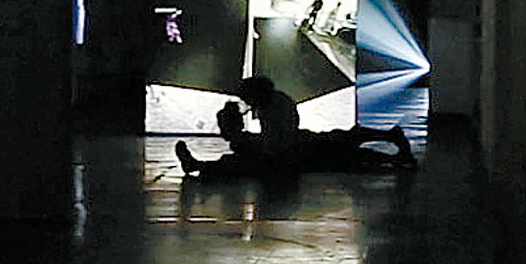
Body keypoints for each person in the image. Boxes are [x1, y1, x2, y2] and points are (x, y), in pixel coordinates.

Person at [174, 75, 417, 177]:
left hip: (295, 151)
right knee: (345, 146)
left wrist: (247, 142)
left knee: (346, 151)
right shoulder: (274, 102)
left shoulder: (275, 107)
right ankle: (392, 147)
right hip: (296, 145)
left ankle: (393, 149)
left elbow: (277, 144)